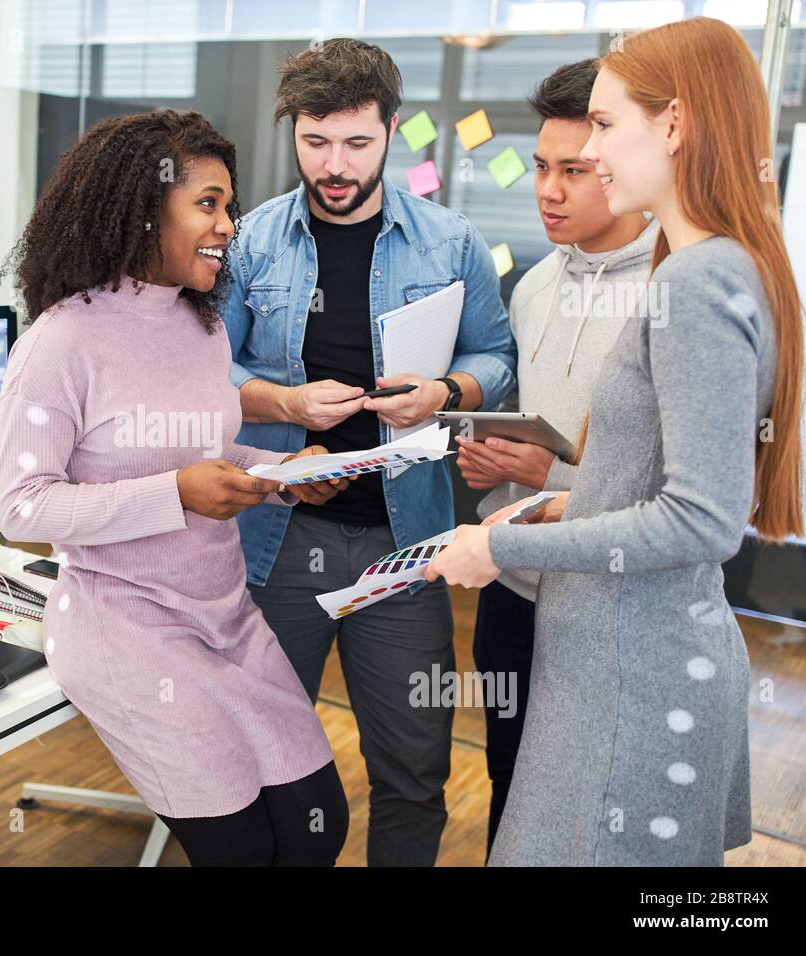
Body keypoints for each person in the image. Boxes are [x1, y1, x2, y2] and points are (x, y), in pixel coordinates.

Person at [427, 17, 804, 865]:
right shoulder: (720, 264)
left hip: (634, 678)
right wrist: (561, 504)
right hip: (628, 666)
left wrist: (497, 543)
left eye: (602, 126)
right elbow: (667, 487)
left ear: (673, 125)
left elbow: (700, 522)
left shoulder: (701, 279)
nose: (590, 156)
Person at [0, 109, 352, 866]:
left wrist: (283, 477)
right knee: (242, 848)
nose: (230, 224)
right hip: (124, 626)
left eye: (230, 205)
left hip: (226, 617)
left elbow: (208, 456)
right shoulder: (60, 343)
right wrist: (177, 494)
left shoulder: (203, 328)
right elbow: (23, 505)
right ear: (142, 209)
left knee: (319, 819)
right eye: (209, 203)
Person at [220, 38, 516, 866]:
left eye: (356, 142)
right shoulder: (251, 243)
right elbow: (210, 375)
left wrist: (444, 395)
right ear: (294, 134)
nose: (335, 165)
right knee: (261, 763)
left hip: (409, 544)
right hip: (282, 538)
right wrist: (285, 406)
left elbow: (496, 358)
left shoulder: (451, 242)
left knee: (414, 769)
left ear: (392, 129)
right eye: (315, 143)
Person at [454, 58, 656, 858]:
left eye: (575, 171)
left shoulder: (673, 293)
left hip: (611, 606)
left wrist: (553, 481)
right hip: (511, 589)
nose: (548, 189)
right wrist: (495, 467)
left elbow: (688, 494)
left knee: (598, 812)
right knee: (511, 789)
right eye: (541, 166)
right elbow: (542, 436)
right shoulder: (534, 284)